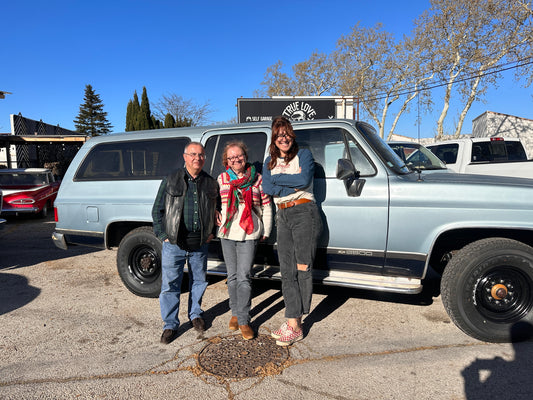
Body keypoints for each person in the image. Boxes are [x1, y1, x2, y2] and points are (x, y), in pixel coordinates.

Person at [262, 116, 322, 346]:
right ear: (274, 139)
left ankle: (296, 323)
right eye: (279, 135)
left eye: (286, 134)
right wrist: (292, 182)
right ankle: (291, 319)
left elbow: (305, 178)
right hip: (282, 215)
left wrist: (281, 181)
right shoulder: (270, 161)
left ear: (291, 134)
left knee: (302, 266)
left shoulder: (304, 155)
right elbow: (268, 186)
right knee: (286, 270)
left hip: (303, 211)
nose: (283, 138)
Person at [152, 142, 220, 344]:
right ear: (185, 157)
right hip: (174, 244)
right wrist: (163, 234)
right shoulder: (171, 179)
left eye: (200, 155)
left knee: (198, 282)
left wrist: (212, 233)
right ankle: (170, 325)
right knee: (170, 285)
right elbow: (157, 210)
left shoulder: (210, 183)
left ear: (204, 158)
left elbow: (218, 212)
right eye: (193, 154)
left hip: (200, 243)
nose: (197, 158)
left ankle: (195, 315)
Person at [217, 142, 272, 340]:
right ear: (226, 161)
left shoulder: (257, 179)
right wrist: (215, 213)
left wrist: (266, 228)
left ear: (245, 156)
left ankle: (243, 319)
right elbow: (216, 202)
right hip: (227, 232)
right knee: (231, 277)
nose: (235, 160)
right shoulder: (222, 178)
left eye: (238, 156)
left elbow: (266, 205)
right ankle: (234, 312)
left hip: (250, 233)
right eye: (231, 158)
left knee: (244, 277)